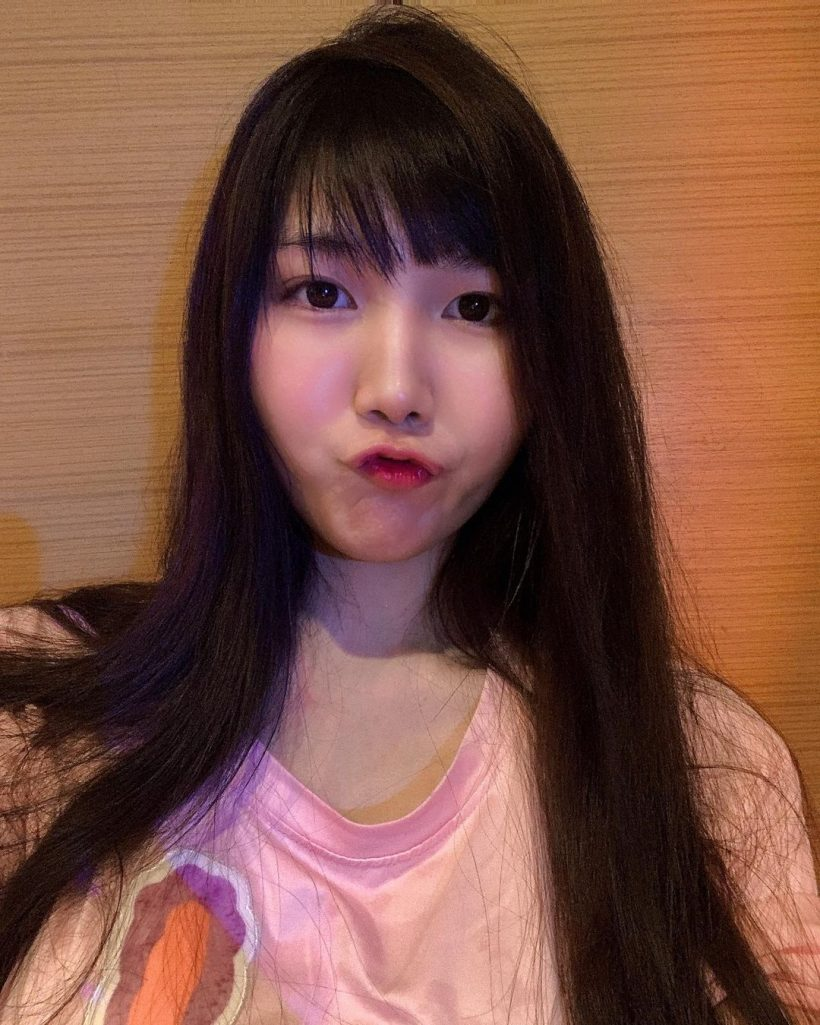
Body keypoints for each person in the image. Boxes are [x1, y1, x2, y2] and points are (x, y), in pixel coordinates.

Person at [0, 5, 818, 1024]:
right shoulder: (30, 730)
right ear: (232, 331)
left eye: (474, 306)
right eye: (321, 292)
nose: (394, 387)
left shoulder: (704, 779)